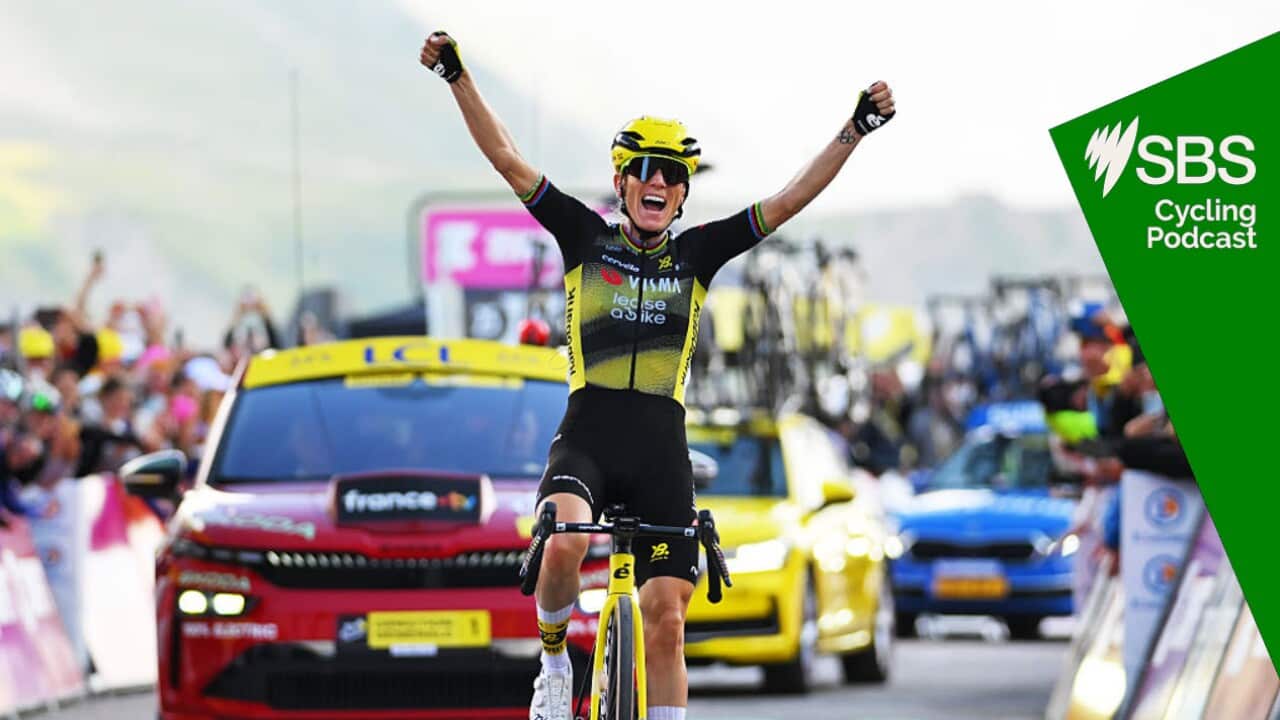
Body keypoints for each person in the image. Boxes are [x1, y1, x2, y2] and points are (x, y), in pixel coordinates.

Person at [420, 31, 895, 720]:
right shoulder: (584, 236)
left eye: (675, 176)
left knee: (667, 620)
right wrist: (457, 74)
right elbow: (506, 157)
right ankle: (554, 663)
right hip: (589, 430)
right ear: (622, 181)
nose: (660, 183)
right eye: (646, 169)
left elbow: (789, 200)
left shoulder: (701, 255)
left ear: (682, 195)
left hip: (660, 444)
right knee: (565, 539)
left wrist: (854, 130)